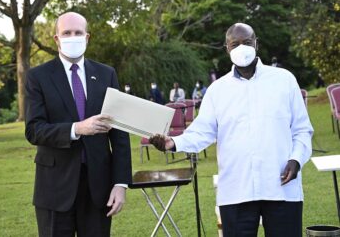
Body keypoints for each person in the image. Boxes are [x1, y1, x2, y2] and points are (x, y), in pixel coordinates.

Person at [149, 23, 313, 237]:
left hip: (281, 185)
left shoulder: (284, 80)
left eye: (246, 42)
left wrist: (296, 160)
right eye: (235, 44)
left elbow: (302, 130)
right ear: (227, 49)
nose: (241, 47)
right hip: (237, 190)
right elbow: (203, 131)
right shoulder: (217, 90)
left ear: (256, 43)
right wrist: (174, 143)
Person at [25, 12, 132, 237]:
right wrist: (76, 128)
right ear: (56, 38)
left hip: (98, 189)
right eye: (66, 33)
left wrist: (120, 184)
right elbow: (34, 130)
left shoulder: (106, 74)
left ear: (87, 37)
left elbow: (119, 134)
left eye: (78, 33)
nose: (72, 37)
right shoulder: (38, 77)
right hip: (54, 188)